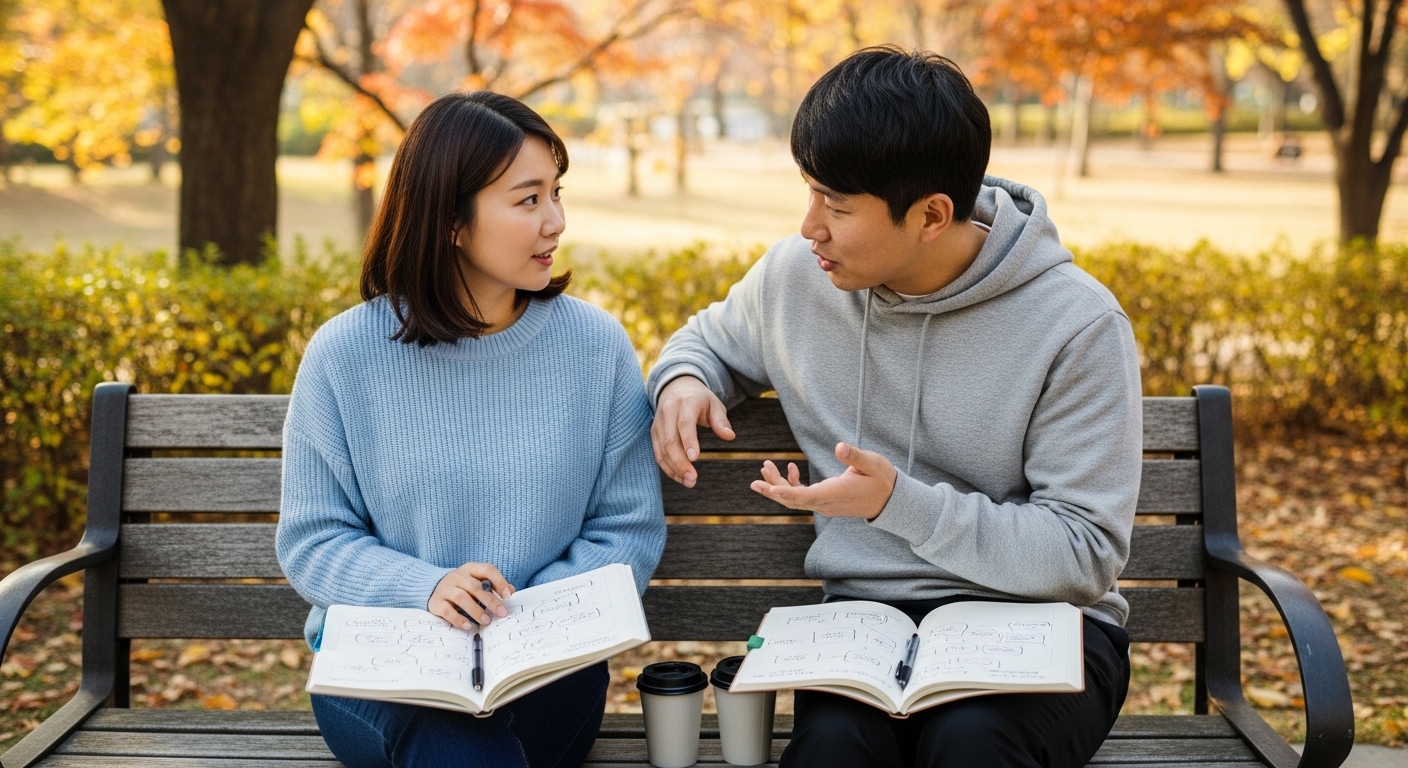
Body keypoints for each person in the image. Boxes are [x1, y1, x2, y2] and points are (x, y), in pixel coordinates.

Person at [647, 47, 1142, 768]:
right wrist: (686, 379)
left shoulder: (1077, 324)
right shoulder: (796, 279)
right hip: (864, 628)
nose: (810, 226)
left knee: (971, 745)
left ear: (932, 215)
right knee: (831, 753)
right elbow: (707, 341)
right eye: (810, 193)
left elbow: (1083, 552)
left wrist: (897, 505)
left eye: (837, 206)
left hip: (1044, 625)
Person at [276, 91, 666, 768]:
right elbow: (313, 540)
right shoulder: (344, 355)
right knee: (457, 748)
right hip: (386, 670)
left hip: (549, 667)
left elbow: (625, 528)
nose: (556, 221)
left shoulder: (595, 347)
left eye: (556, 193)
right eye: (528, 200)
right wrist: (423, 589)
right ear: (451, 220)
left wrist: (524, 621)